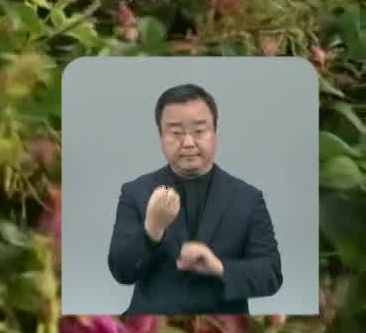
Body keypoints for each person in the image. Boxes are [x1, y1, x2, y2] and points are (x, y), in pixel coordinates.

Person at [105, 83, 283, 316]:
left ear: (215, 133)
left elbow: (271, 274)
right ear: (160, 136)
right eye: (176, 133)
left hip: (223, 330)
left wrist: (220, 267)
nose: (188, 143)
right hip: (152, 328)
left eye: (199, 131)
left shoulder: (247, 198)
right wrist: (152, 230)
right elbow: (121, 272)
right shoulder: (136, 192)